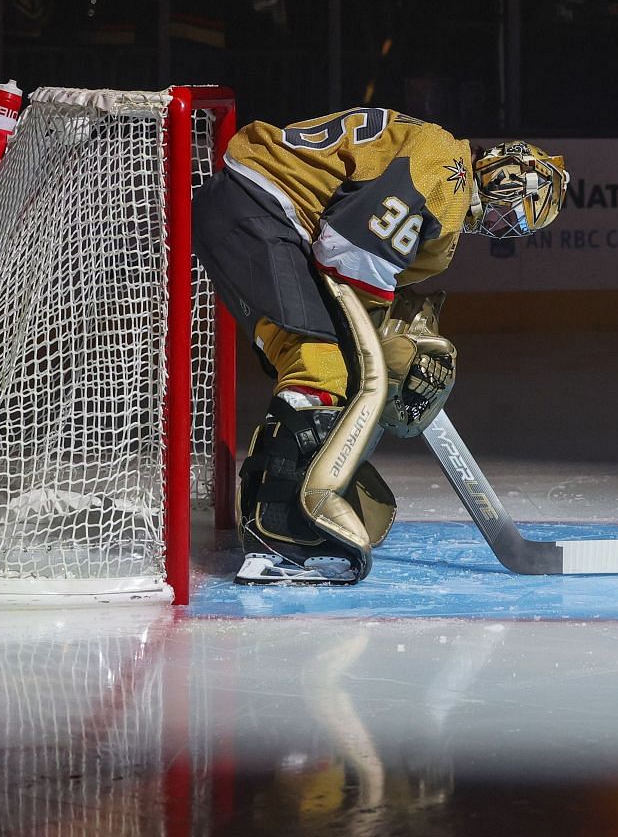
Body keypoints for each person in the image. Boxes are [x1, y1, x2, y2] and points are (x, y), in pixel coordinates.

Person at [192, 112, 568, 585]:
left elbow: (365, 267)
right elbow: (349, 251)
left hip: (264, 217)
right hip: (263, 208)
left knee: (328, 368)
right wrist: (382, 354)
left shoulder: (444, 214)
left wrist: (395, 339)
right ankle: (279, 537)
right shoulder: (446, 165)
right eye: (507, 205)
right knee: (325, 369)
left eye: (512, 226)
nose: (498, 223)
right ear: (495, 170)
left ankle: (280, 513)